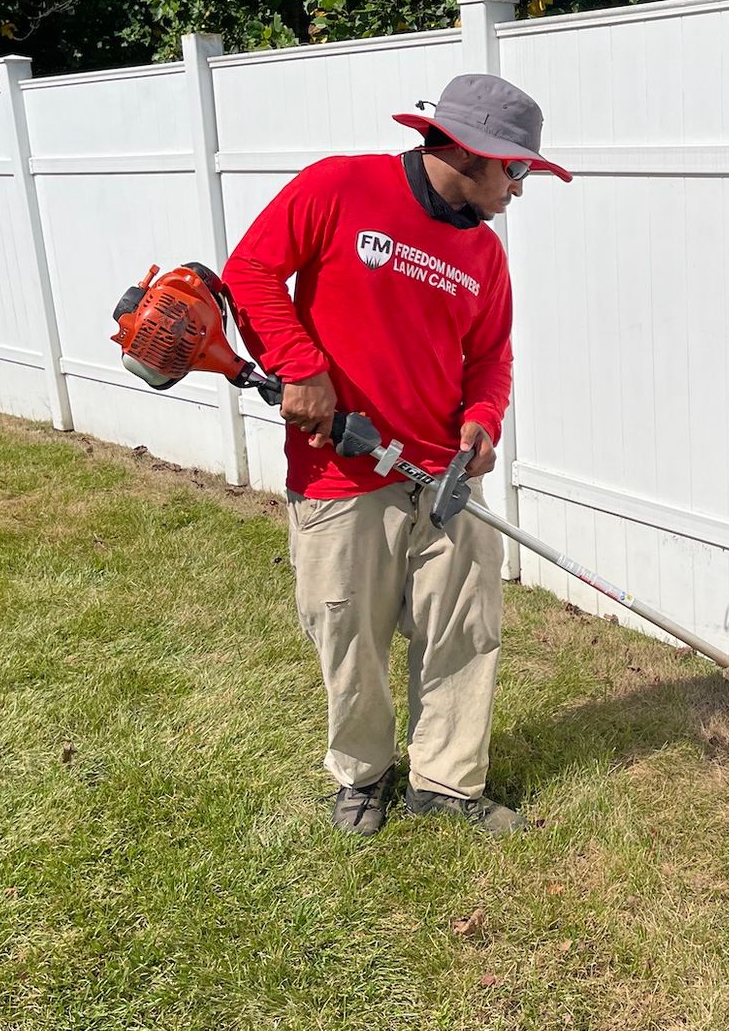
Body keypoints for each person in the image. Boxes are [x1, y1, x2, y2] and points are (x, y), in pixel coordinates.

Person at [221, 73, 571, 837]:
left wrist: (482, 420)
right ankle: (364, 774)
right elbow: (249, 274)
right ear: (473, 153)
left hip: (441, 475)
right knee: (349, 632)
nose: (519, 186)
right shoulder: (339, 188)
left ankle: (447, 781)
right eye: (515, 169)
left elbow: (490, 359)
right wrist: (301, 364)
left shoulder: (484, 256)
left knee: (465, 625)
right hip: (341, 474)